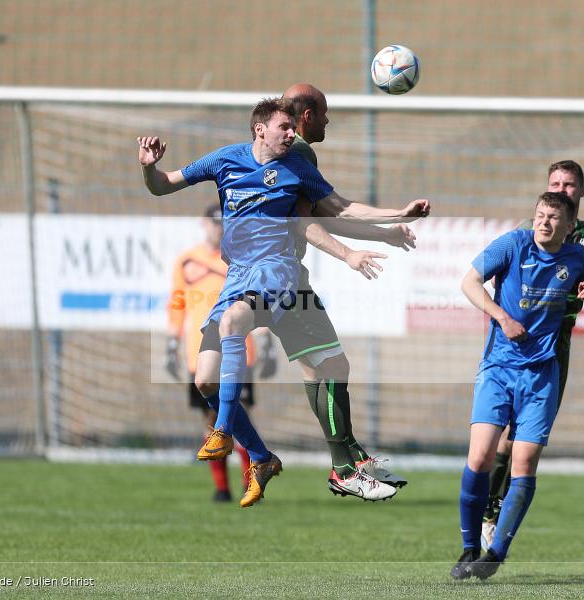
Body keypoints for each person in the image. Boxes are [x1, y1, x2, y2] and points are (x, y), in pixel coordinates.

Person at [138, 97, 429, 508]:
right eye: (284, 127)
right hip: (238, 274)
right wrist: (149, 167)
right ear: (260, 129)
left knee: (242, 323)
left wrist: (394, 215)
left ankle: (227, 431)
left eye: (295, 126)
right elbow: (163, 185)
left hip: (278, 269)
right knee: (205, 378)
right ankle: (261, 456)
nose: (292, 134)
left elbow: (340, 207)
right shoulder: (225, 160)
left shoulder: (297, 166)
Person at [452, 191, 584, 580]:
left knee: (523, 464)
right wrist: (502, 318)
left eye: (553, 217)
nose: (544, 222)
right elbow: (469, 283)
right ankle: (469, 547)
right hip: (498, 369)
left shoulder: (575, 259)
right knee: (480, 458)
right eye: (540, 215)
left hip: (541, 375)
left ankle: (495, 556)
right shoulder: (512, 244)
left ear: (569, 226)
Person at [480, 160, 584, 548]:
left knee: (522, 435)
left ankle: (494, 511)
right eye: (555, 183)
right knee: (500, 435)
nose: (563, 189)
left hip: (557, 342)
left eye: (569, 185)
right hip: (517, 342)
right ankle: (488, 511)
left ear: (582, 192)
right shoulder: (531, 231)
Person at [281, 83, 414, 500]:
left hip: (263, 277)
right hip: (284, 279)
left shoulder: (271, 151)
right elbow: (320, 216)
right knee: (336, 368)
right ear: (306, 115)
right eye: (323, 113)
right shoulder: (300, 153)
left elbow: (321, 214)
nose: (327, 120)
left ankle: (351, 457)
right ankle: (343, 466)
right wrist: (351, 254)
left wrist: (386, 234)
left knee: (315, 370)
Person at [165, 203, 276, 503]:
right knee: (211, 423)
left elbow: (257, 303)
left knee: (239, 418)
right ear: (205, 223)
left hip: (241, 352)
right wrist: (172, 342)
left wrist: (265, 343)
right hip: (198, 354)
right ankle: (221, 489)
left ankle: (250, 480)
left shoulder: (242, 260)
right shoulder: (187, 261)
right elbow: (177, 304)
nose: (218, 228)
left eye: (223, 223)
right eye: (215, 223)